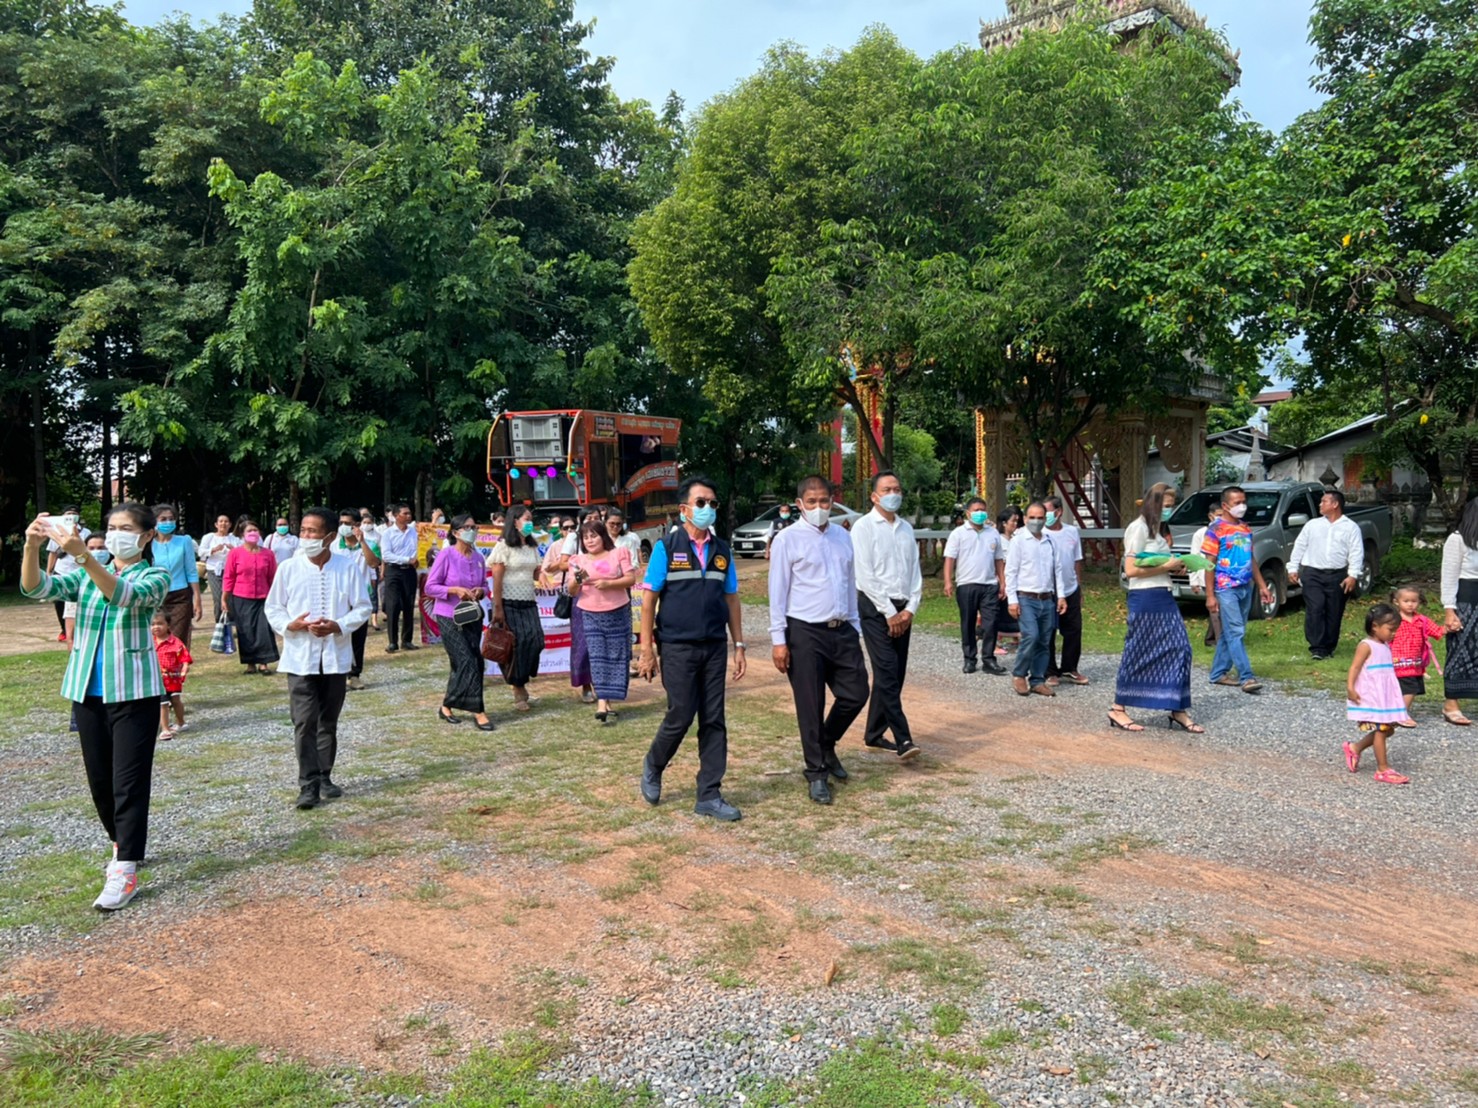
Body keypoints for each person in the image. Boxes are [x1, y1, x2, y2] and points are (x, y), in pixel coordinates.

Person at [21, 502, 172, 911]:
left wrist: (83, 556)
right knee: (100, 782)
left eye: (125, 528)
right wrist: (32, 547)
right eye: (111, 526)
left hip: (133, 692)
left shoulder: (155, 575)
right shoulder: (86, 575)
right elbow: (36, 589)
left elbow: (123, 595)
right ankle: (121, 842)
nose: (116, 533)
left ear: (144, 537)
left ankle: (124, 868)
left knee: (129, 780)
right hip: (87, 690)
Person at [636, 475, 746, 821]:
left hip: (713, 647)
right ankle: (653, 764)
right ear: (684, 509)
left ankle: (709, 795)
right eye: (701, 503)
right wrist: (647, 648)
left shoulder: (723, 550)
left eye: (712, 503)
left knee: (714, 719)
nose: (708, 509)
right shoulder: (666, 548)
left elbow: (732, 599)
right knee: (681, 714)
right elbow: (649, 598)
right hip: (677, 646)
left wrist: (738, 645)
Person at [769, 476, 869, 805]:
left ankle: (827, 742)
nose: (818, 507)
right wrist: (779, 640)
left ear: (832, 502)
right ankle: (816, 772)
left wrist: (854, 627)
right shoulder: (788, 539)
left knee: (856, 692)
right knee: (810, 705)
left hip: (841, 629)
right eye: (811, 502)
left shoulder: (843, 537)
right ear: (799, 504)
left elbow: (848, 583)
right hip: (804, 631)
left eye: (823, 501)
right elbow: (777, 592)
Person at [265, 506, 372, 809]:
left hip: (336, 656)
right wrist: (292, 625)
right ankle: (307, 784)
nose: (306, 537)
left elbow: (362, 607)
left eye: (313, 532)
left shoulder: (347, 567)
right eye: (304, 531)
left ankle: (325, 775)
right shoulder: (289, 568)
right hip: (300, 657)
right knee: (304, 721)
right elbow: (273, 608)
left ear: (328, 536)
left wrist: (339, 625)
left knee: (328, 720)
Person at [1110, 483, 1202, 733]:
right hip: (1145, 597)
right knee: (1139, 650)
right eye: (1165, 506)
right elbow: (1130, 571)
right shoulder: (1137, 529)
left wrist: (1177, 566)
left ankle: (1177, 707)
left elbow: (1158, 563)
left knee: (1181, 648)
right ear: (1153, 504)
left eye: (1172, 507)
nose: (1168, 511)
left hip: (1163, 593)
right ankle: (1119, 707)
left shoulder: (1157, 532)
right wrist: (1166, 567)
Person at [851, 471, 923, 760]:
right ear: (875, 496)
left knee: (895, 673)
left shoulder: (906, 529)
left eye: (897, 488)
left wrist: (909, 609)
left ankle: (873, 732)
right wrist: (889, 612)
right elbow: (864, 576)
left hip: (903, 609)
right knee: (886, 671)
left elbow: (914, 573)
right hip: (874, 607)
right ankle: (903, 738)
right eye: (887, 489)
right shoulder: (863, 527)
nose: (894, 493)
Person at [423, 513, 496, 731]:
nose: (472, 530)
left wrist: (480, 591)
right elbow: (430, 587)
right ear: (455, 533)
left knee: (471, 660)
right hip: (448, 615)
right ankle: (477, 710)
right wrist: (454, 589)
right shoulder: (446, 555)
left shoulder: (479, 558)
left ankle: (447, 705)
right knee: (466, 660)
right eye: (467, 527)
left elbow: (485, 586)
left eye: (474, 526)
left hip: (472, 615)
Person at [1201, 486, 1275, 694]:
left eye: (1244, 502)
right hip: (1225, 588)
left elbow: (1250, 559)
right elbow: (1209, 563)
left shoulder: (1245, 528)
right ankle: (1247, 676)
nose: (1242, 506)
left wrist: (1262, 586)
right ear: (1225, 506)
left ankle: (1218, 672)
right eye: (1237, 503)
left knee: (1231, 632)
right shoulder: (1215, 530)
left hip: (1245, 587)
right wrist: (1210, 595)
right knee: (1236, 631)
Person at [569, 519, 638, 722]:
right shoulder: (578, 560)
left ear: (603, 536)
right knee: (597, 656)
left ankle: (609, 700)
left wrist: (609, 583)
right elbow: (572, 590)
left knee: (617, 656)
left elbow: (631, 579)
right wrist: (580, 579)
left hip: (617, 611)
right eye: (586, 537)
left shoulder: (619, 553)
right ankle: (601, 702)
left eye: (594, 536)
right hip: (590, 613)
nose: (590, 541)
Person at [1287, 487, 1364, 660]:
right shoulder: (1312, 525)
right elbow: (1299, 546)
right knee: (1316, 607)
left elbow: (1356, 552)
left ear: (1335, 504)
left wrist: (1352, 575)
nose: (1320, 504)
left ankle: (1329, 645)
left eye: (1324, 501)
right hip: (1313, 573)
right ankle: (1317, 647)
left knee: (1334, 610)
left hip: (1338, 574)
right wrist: (1293, 568)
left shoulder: (1350, 527)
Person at [1004, 502, 1071, 698]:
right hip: (1026, 597)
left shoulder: (1050, 541)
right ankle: (1019, 674)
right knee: (1031, 636)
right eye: (1032, 517)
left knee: (1044, 640)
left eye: (1040, 517)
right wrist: (1012, 601)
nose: (1036, 521)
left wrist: (1061, 596)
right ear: (1025, 519)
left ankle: (1038, 680)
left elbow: (1057, 570)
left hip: (1047, 598)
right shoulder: (1019, 541)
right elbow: (1011, 571)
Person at [1344, 604, 1411, 783]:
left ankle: (1355, 747)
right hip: (1374, 695)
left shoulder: (1385, 645)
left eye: (1395, 630)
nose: (1394, 633)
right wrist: (1350, 687)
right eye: (1390, 629)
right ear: (1375, 626)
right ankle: (1382, 769)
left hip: (1385, 696)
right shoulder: (1367, 645)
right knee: (1382, 730)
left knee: (1388, 730)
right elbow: (1355, 667)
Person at [488, 504, 546, 712]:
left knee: (536, 640)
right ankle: (517, 686)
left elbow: (535, 572)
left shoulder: (531, 546)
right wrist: (498, 607)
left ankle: (522, 677)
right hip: (509, 602)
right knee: (516, 644)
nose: (530, 523)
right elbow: (497, 578)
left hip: (528, 601)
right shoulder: (503, 546)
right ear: (515, 521)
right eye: (526, 519)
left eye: (531, 519)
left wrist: (545, 577)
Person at [943, 497, 1007, 676]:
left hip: (989, 584)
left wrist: (1002, 582)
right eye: (977, 510)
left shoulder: (993, 533)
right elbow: (949, 559)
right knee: (968, 623)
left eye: (983, 510)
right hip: (966, 584)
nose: (980, 513)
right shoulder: (958, 533)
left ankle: (989, 659)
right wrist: (948, 581)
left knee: (991, 623)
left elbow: (999, 560)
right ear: (968, 513)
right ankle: (969, 659)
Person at [1041, 495, 1088, 686]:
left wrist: (1079, 585)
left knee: (1073, 630)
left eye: (1048, 512)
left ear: (1058, 512)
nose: (1045, 517)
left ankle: (1070, 668)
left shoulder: (1072, 532)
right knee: (1048, 631)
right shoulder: (1040, 534)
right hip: (1048, 590)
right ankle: (1050, 671)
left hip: (1070, 588)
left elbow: (1077, 560)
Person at [1439, 496, 1478, 726]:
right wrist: (1449, 610)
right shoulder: (1457, 540)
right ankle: (1451, 702)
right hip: (1466, 599)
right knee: (1461, 649)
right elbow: (1449, 576)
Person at [334, 509, 382, 691]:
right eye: (341, 523)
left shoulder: (369, 544)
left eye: (348, 524)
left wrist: (362, 541)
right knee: (339, 636)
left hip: (359, 599)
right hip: (338, 599)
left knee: (358, 639)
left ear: (357, 525)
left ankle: (354, 674)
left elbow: (374, 563)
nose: (344, 527)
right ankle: (339, 675)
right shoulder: (334, 546)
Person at [223, 522, 279, 675]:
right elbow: (229, 576)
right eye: (249, 530)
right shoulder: (235, 553)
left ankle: (264, 663)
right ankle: (250, 663)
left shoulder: (268, 554)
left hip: (264, 597)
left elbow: (273, 577)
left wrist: (275, 597)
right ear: (242, 535)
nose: (253, 532)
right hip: (241, 596)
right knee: (245, 630)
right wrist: (224, 598)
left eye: (255, 529)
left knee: (263, 630)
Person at [1389, 586, 1443, 727]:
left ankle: (1397, 712)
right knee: (1409, 689)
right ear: (1397, 602)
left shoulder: (1422, 620)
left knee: (1409, 689)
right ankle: (1401, 714)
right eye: (1406, 601)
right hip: (1398, 661)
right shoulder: (1393, 620)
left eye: (1414, 601)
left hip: (1416, 663)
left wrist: (1448, 628)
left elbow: (1437, 631)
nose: (1410, 604)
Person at [150, 504, 202, 648]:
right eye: (163, 519)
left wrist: (197, 598)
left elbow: (191, 571)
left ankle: (177, 669)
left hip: (180, 595)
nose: (167, 522)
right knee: (157, 636)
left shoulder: (184, 541)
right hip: (156, 596)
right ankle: (160, 669)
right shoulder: (147, 544)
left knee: (178, 637)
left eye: (171, 519)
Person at [378, 503, 421, 653]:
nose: (409, 516)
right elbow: (386, 555)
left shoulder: (414, 532)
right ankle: (392, 641)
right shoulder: (388, 534)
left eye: (410, 513)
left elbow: (419, 549)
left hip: (409, 571)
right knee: (393, 605)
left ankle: (407, 640)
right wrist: (407, 559)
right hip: (394, 570)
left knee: (409, 604)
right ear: (396, 516)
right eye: (405, 513)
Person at [45, 504, 90, 643]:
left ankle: (78, 629)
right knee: (59, 602)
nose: (71, 516)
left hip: (79, 570)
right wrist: (49, 571)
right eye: (68, 513)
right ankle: (64, 630)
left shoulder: (86, 533)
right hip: (62, 570)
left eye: (74, 513)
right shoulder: (57, 532)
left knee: (77, 601)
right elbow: (53, 553)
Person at [152, 612, 192, 740]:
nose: (156, 627)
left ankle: (180, 722)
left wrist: (184, 668)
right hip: (158, 679)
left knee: (175, 700)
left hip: (173, 678)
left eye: (160, 624)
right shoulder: (149, 642)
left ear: (168, 625)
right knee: (163, 703)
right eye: (152, 624)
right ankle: (165, 729)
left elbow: (184, 658)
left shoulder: (175, 642)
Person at [196, 515, 240, 627]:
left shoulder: (234, 539)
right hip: (214, 570)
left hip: (231, 571)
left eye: (226, 522)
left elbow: (242, 553)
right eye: (221, 521)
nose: (223, 524)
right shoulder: (209, 537)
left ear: (230, 525)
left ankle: (230, 621)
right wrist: (213, 550)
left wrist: (233, 550)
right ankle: (219, 622)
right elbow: (201, 552)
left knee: (230, 596)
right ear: (216, 524)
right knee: (218, 596)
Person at [1189, 505, 1221, 646]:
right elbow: (1194, 557)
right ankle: (1220, 640)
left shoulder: (1226, 531)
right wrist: (1193, 581)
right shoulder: (1200, 534)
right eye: (1218, 514)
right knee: (1215, 609)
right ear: (1211, 516)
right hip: (1205, 576)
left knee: (1218, 609)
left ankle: (1210, 638)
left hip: (1222, 576)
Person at [994, 507, 1023, 655]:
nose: (1015, 524)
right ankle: (995, 642)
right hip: (1003, 580)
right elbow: (1000, 563)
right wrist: (1002, 582)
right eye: (1013, 521)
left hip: (1015, 581)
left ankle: (1015, 638)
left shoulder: (1015, 539)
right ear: (1004, 523)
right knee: (1000, 613)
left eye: (1017, 521)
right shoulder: (999, 540)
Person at [358, 508, 384, 632]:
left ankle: (374, 618)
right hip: (359, 568)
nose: (367, 525)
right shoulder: (356, 536)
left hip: (373, 567)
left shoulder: (377, 536)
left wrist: (382, 570)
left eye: (369, 522)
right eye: (364, 522)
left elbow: (381, 556)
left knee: (373, 594)